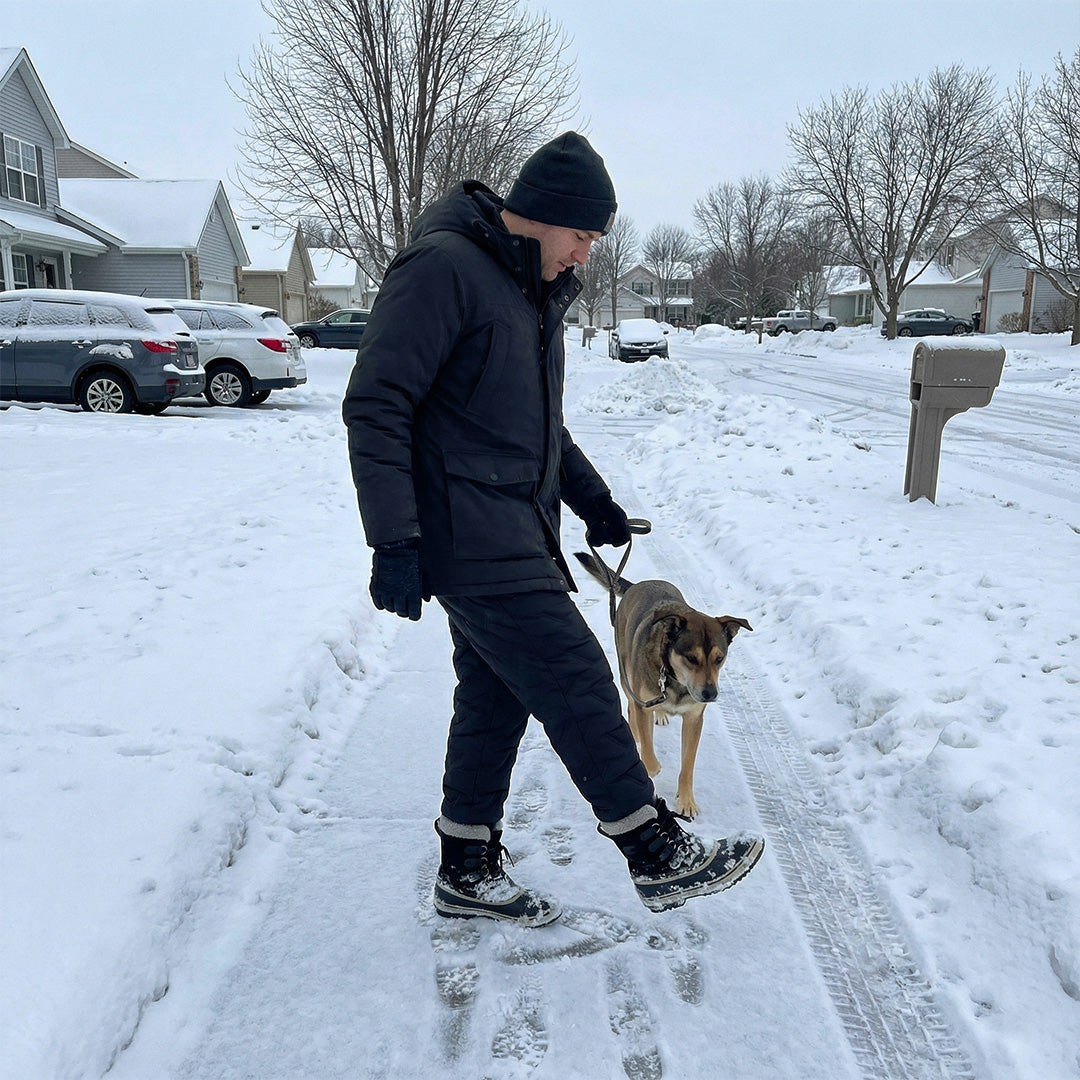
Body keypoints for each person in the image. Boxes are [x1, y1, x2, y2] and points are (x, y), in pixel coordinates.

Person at [342, 132, 763, 925]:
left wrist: (594, 502)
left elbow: (539, 430)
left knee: (495, 697)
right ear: (538, 214)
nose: (584, 255)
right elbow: (376, 403)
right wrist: (392, 538)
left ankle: (466, 867)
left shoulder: (526, 293)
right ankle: (654, 849)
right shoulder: (444, 269)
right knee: (574, 673)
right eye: (581, 236)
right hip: (468, 531)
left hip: (512, 523)